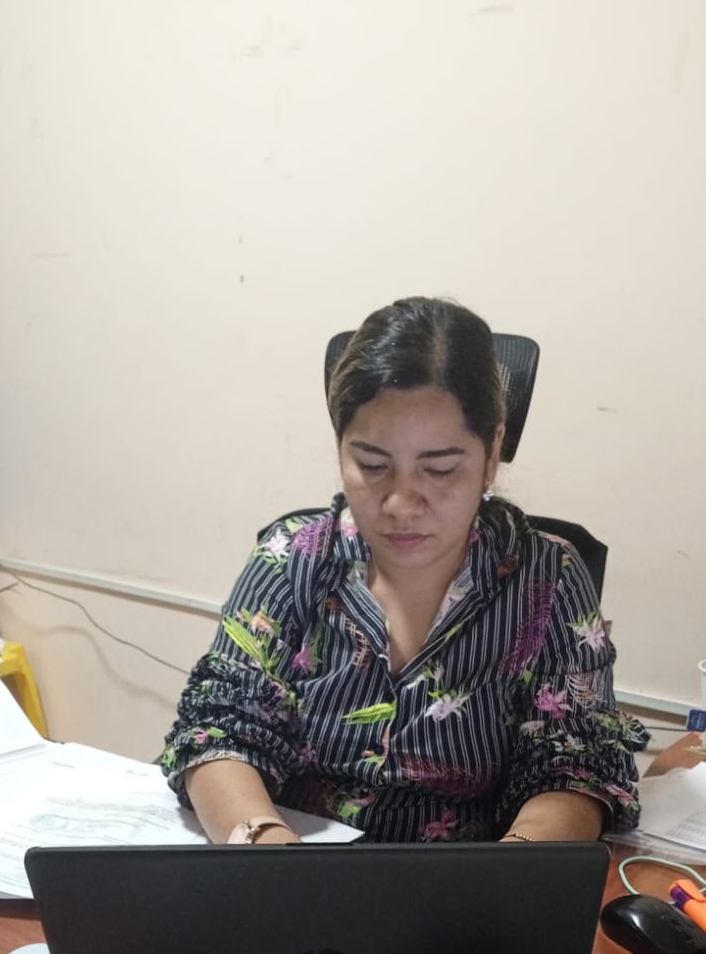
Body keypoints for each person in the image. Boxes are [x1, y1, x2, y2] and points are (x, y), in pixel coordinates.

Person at [161, 296, 646, 845]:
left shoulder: (547, 577)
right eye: (371, 465)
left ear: (492, 453)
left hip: (468, 884)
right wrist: (270, 850)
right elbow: (218, 730)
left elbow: (574, 768)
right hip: (294, 868)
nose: (400, 504)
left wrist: (510, 872)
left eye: (439, 470)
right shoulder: (292, 557)